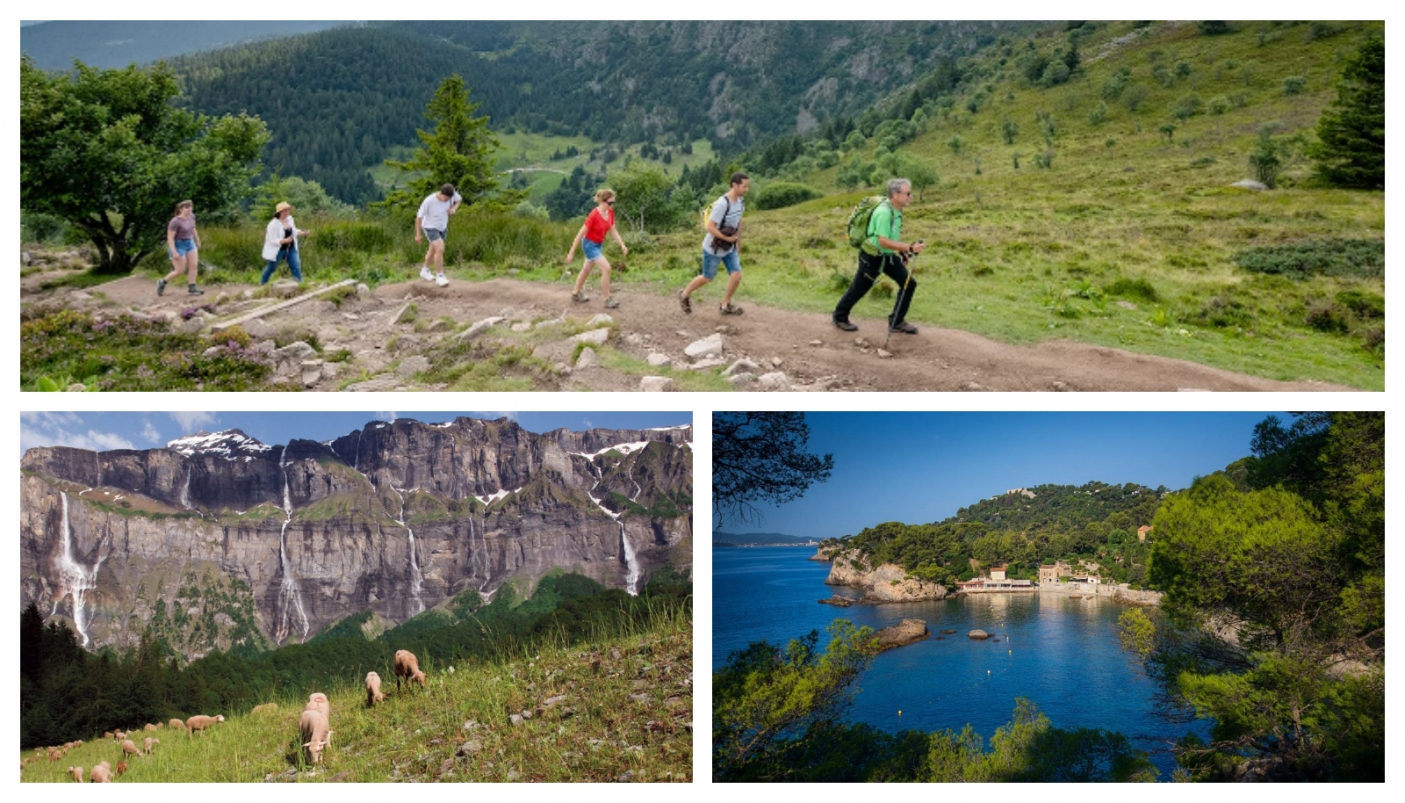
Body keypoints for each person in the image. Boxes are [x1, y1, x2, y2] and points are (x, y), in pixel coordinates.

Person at [832, 178, 925, 333]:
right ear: (895, 194)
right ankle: (840, 316)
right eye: (907, 193)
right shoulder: (884, 212)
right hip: (872, 256)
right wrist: (909, 248)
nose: (911, 196)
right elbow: (882, 241)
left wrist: (902, 252)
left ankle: (896, 322)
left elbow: (890, 236)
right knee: (859, 288)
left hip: (887, 256)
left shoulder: (896, 210)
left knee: (909, 283)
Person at [679, 171, 748, 315]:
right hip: (713, 248)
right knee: (707, 277)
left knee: (736, 275)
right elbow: (709, 227)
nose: (746, 190)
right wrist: (728, 239)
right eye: (744, 187)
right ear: (734, 185)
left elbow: (738, 222)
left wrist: (737, 243)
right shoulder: (723, 203)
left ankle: (725, 305)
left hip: (730, 248)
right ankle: (684, 295)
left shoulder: (740, 202)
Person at [566, 188, 628, 308]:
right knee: (607, 268)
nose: (612, 205)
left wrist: (622, 244)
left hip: (598, 244)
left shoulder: (610, 212)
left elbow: (613, 230)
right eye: (610, 203)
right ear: (602, 202)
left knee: (586, 270)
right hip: (589, 245)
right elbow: (580, 234)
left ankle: (575, 293)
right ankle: (607, 299)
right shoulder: (594, 215)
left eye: (613, 203)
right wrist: (571, 253)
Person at [414, 183, 462, 287]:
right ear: (441, 193)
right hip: (429, 226)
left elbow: (458, 200)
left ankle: (425, 271)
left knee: (433, 249)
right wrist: (418, 234)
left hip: (442, 226)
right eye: (446, 198)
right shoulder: (429, 201)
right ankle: (440, 276)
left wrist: (454, 209)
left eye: (449, 198)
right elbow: (419, 217)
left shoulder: (452, 195)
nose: (447, 200)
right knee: (440, 248)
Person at [158, 200, 203, 295]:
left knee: (193, 266)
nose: (189, 209)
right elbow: (170, 238)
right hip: (178, 244)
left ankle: (192, 288)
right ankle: (163, 282)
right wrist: (174, 252)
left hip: (189, 242)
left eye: (190, 207)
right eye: (187, 207)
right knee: (180, 270)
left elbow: (193, 228)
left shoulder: (191, 216)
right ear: (181, 209)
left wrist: (197, 240)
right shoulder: (175, 222)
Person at [260, 202, 310, 285]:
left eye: (288, 210)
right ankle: (262, 284)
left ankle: (299, 285)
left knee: (295, 266)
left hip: (291, 247)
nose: (287, 213)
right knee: (271, 268)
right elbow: (272, 240)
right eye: (285, 211)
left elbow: (293, 230)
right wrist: (284, 241)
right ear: (279, 212)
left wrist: (302, 232)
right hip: (278, 249)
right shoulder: (273, 225)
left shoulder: (290, 219)